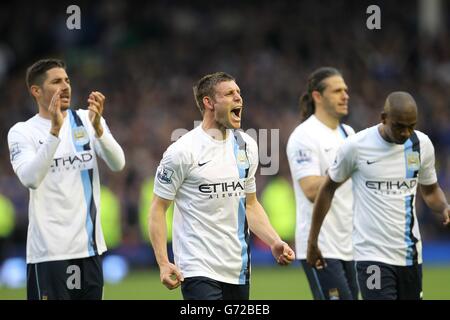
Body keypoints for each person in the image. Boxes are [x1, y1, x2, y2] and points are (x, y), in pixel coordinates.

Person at [149, 72, 295, 300]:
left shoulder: (247, 146)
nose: (239, 98)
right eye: (229, 93)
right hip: (197, 268)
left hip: (238, 269)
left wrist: (274, 241)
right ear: (209, 102)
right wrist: (163, 263)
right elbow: (158, 208)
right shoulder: (182, 152)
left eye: (239, 93)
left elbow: (250, 204)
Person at [307, 91, 450, 300]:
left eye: (411, 126)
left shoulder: (422, 145)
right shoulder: (356, 146)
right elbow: (327, 189)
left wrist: (444, 207)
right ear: (384, 118)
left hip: (411, 255)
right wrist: (313, 241)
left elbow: (430, 191)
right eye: (399, 126)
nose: (406, 133)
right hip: (372, 256)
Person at [7, 58, 125, 300]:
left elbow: (118, 163)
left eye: (67, 80)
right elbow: (30, 178)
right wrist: (54, 132)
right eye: (56, 81)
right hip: (49, 253)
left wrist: (100, 130)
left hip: (89, 249)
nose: (65, 86)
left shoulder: (87, 120)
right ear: (36, 90)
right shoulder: (22, 132)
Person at [286, 67, 358, 300]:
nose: (345, 95)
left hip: (351, 242)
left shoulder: (349, 133)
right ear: (318, 96)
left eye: (345, 90)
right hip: (320, 245)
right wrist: (343, 169)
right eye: (337, 91)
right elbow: (310, 189)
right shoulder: (304, 135)